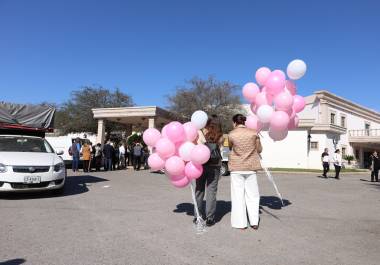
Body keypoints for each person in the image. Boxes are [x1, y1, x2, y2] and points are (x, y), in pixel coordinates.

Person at [228, 114, 262, 230]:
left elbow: (230, 148)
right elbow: (259, 149)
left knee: (238, 196)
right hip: (251, 168)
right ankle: (254, 222)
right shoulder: (253, 133)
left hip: (236, 168)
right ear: (244, 122)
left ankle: (240, 223)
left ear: (234, 122)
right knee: (253, 195)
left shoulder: (231, 134)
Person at [195, 116, 223, 227]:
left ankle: (198, 214)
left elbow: (198, 145)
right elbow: (219, 147)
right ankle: (210, 218)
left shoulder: (200, 132)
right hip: (215, 165)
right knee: (211, 191)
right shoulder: (220, 135)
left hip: (201, 165)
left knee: (199, 190)